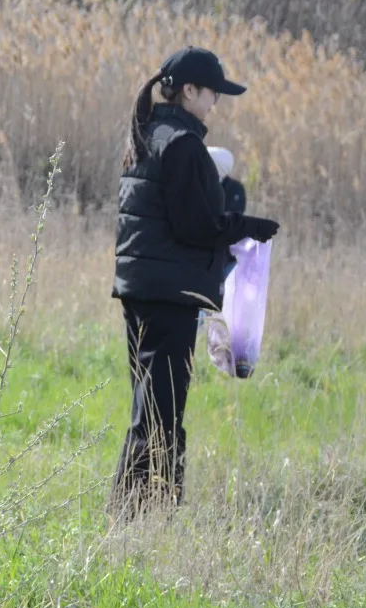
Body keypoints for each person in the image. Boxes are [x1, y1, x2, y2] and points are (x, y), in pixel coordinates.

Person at [110, 47, 280, 515]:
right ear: (189, 91)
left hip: (141, 288)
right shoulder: (182, 144)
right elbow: (195, 227)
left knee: (149, 410)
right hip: (169, 296)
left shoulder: (148, 134)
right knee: (163, 416)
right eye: (212, 94)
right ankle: (148, 518)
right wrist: (247, 226)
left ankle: (131, 519)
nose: (215, 105)